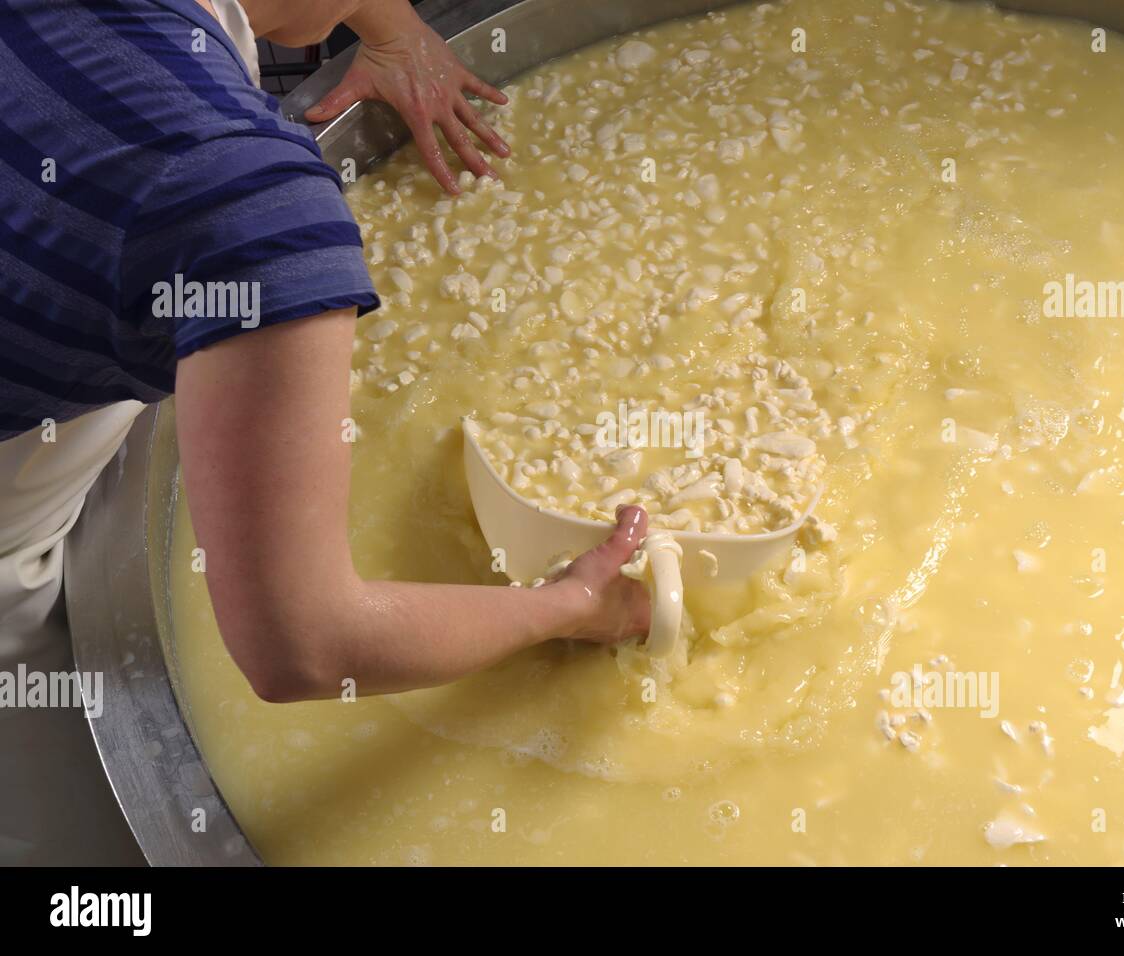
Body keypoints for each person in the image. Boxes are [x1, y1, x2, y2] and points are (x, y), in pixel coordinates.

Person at [0, 0, 648, 864]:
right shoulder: (251, 205)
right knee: (61, 813)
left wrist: (386, 26)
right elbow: (301, 647)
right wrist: (573, 606)